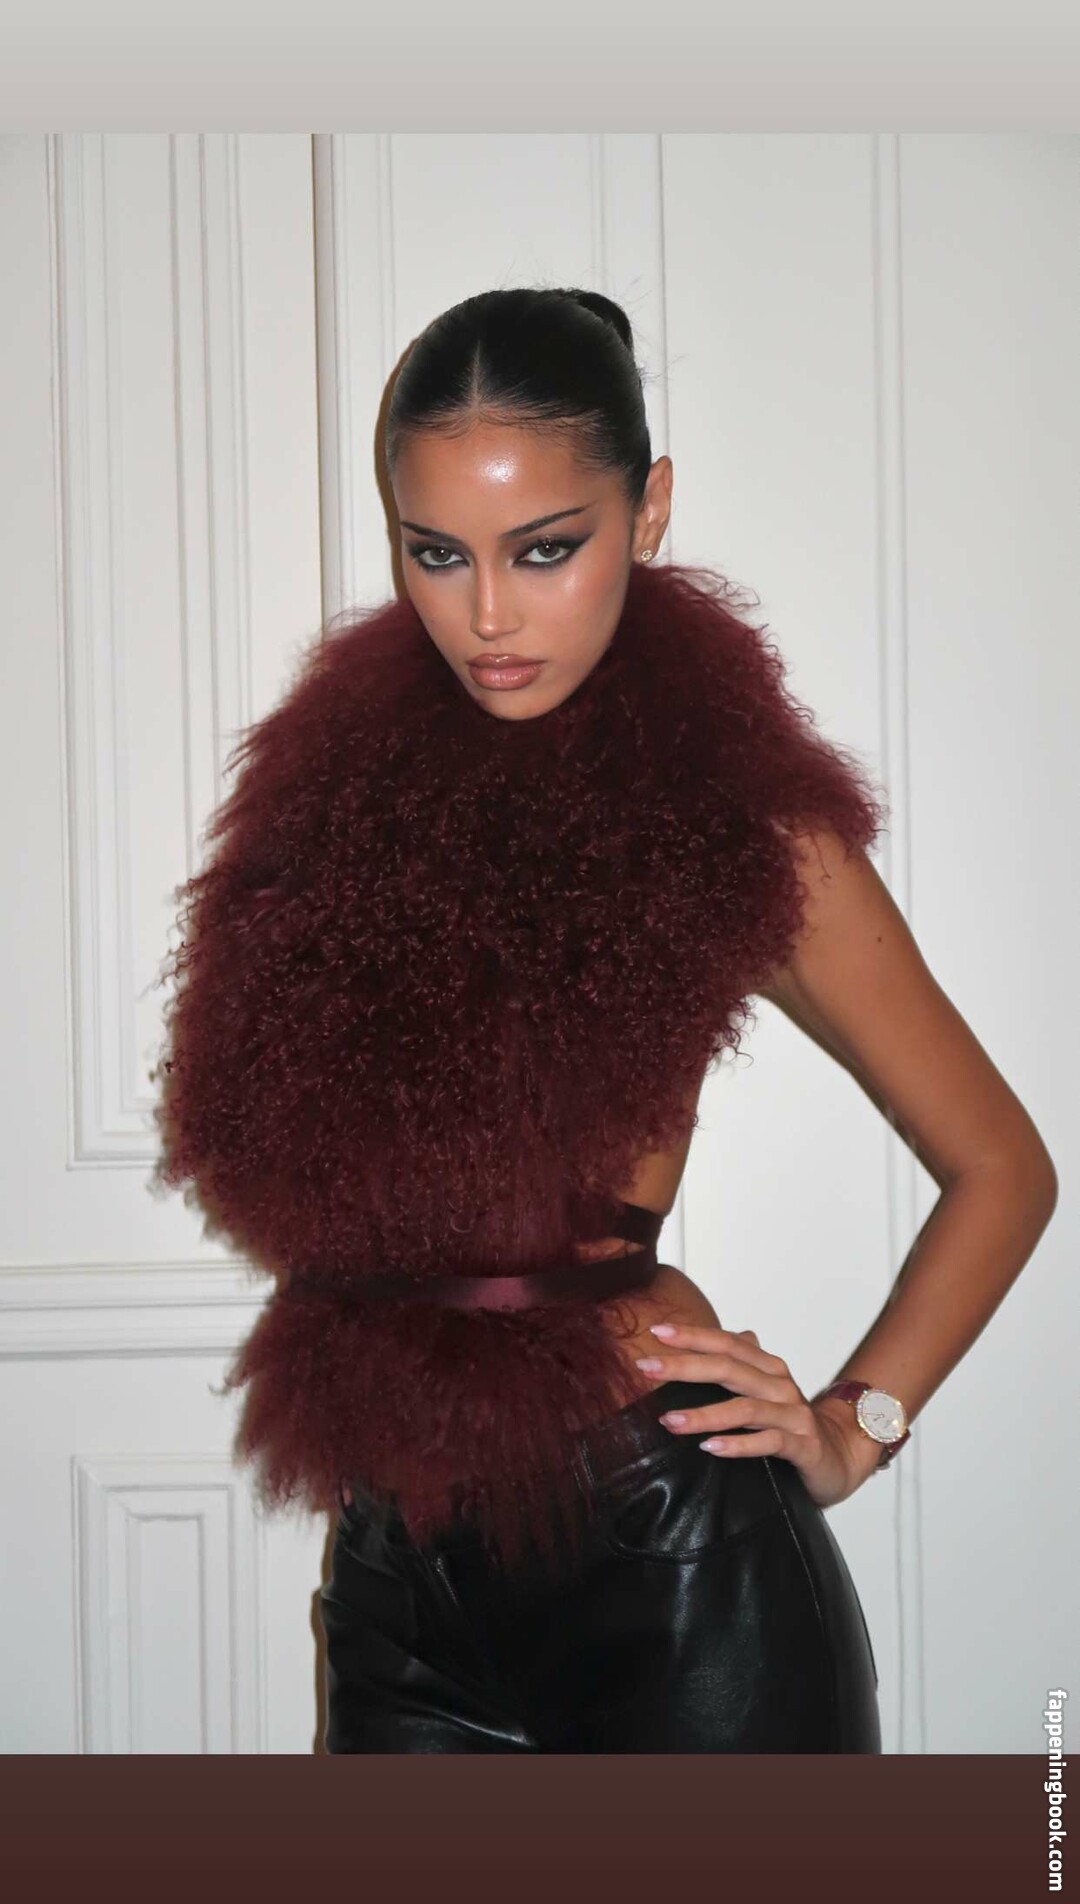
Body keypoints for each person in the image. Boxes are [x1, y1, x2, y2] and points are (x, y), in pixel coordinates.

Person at [151, 286, 1058, 1754]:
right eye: (436, 553)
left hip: (670, 1561)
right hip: (397, 1574)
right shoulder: (335, 820)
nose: (487, 615)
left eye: (544, 549)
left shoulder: (734, 827)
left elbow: (1004, 1169)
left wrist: (856, 1427)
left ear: (649, 513)